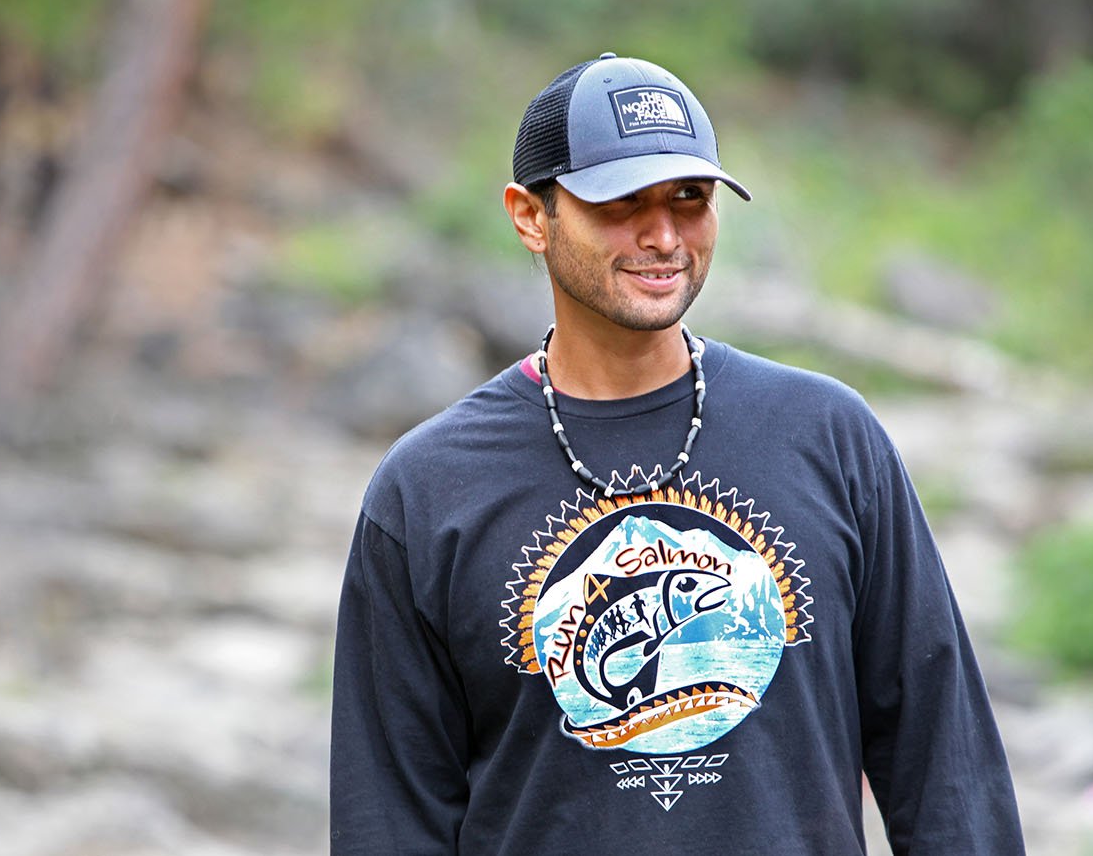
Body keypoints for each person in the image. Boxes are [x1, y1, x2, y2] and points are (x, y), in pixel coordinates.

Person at [331, 52, 1024, 854]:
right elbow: (389, 819)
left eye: (689, 199)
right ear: (530, 215)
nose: (662, 235)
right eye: (621, 201)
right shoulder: (427, 489)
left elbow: (946, 768)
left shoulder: (830, 436)